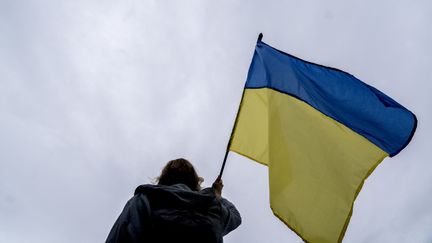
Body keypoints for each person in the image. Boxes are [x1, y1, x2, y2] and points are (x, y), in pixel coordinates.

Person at [105, 158, 241, 243]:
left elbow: (120, 236)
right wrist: (216, 195)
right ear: (195, 181)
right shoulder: (212, 206)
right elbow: (235, 217)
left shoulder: (145, 198)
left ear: (164, 178)